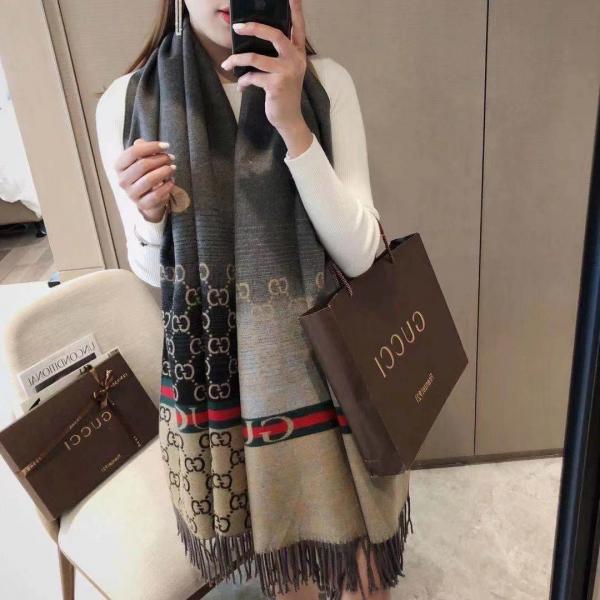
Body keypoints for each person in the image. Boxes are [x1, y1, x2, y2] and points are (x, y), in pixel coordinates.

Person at [96, 1, 412, 599]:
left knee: (363, 575)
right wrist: (151, 219)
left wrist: (292, 124)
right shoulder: (127, 100)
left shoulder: (325, 83)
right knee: (284, 568)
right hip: (219, 379)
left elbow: (360, 255)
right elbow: (154, 274)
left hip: (330, 365)